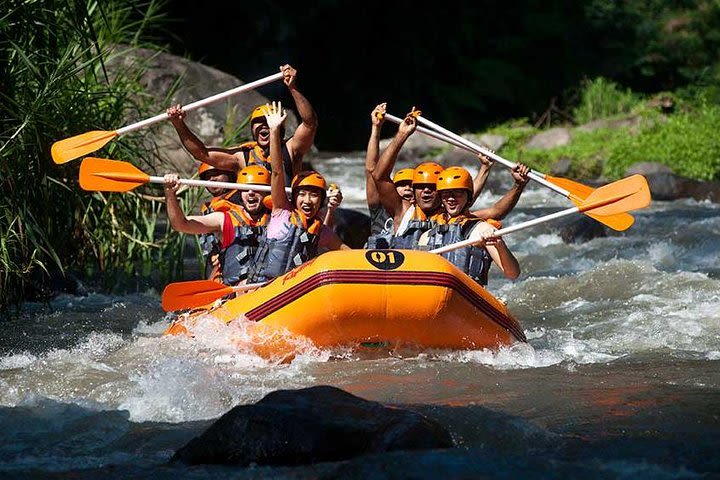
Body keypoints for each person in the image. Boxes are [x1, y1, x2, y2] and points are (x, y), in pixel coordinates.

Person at [370, 110, 529, 250]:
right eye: (421, 187)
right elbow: (379, 176)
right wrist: (402, 134)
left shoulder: (452, 215)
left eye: (432, 187)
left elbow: (496, 211)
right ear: (414, 190)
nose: (426, 191)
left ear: (440, 192)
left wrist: (518, 185)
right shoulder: (403, 211)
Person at [246, 102, 349, 283]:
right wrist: (274, 132)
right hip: (261, 287)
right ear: (293, 197)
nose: (308, 201)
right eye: (302, 194)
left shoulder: (322, 232)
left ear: (321, 200)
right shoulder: (281, 211)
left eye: (314, 195)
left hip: (293, 294)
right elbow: (277, 171)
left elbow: (349, 253)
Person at [166, 64, 318, 186]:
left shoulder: (292, 149)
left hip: (283, 217)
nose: (265, 126)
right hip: (255, 218)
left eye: (269, 121)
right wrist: (179, 124)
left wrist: (293, 88)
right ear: (252, 130)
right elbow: (201, 154)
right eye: (259, 123)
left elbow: (310, 123)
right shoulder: (242, 157)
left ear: (280, 128)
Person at [163, 164, 272, 286]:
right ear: (240, 192)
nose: (251, 193)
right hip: (237, 291)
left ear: (267, 192)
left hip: (271, 287)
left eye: (257, 188)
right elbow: (180, 224)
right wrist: (170, 193)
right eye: (245, 189)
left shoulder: (278, 218)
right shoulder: (224, 219)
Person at [421, 166, 521, 285]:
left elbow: (513, 273)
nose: (451, 198)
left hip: (466, 294)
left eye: (458, 193)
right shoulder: (426, 236)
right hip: (434, 291)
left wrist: (500, 245)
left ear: (468, 197)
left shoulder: (483, 229)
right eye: (446, 194)